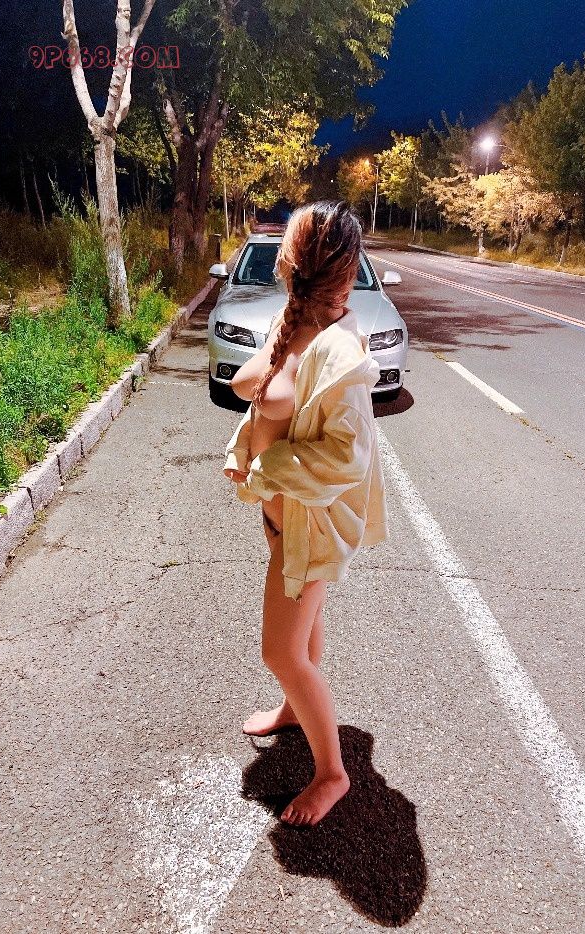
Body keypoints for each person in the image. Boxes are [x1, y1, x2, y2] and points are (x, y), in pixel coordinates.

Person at [223, 200, 389, 826]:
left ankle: (332, 773)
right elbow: (253, 390)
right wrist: (246, 450)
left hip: (311, 526)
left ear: (293, 265)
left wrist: (265, 468)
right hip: (283, 517)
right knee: (303, 628)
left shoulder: (339, 354)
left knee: (280, 651)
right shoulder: (291, 323)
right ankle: (296, 708)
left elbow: (348, 458)